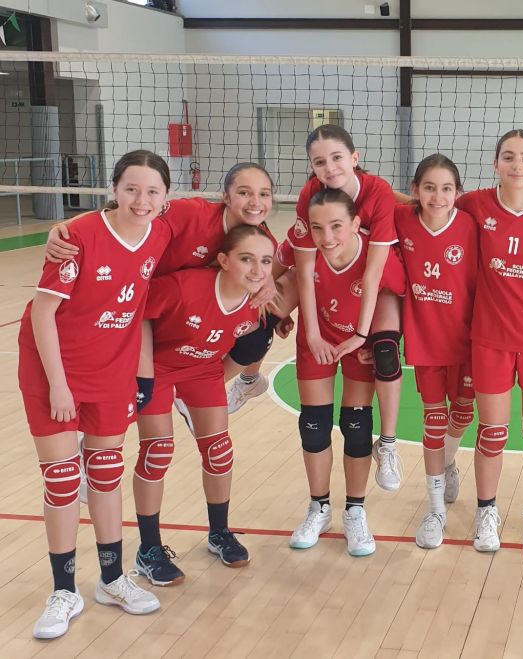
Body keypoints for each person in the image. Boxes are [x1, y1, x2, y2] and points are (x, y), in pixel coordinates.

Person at [19, 150, 172, 639]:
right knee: (63, 479)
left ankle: (111, 579)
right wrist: (59, 384)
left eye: (152, 191)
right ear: (113, 190)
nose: (141, 200)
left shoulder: (161, 232)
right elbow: (42, 313)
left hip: (111, 369)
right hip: (52, 368)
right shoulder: (78, 237)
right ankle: (64, 591)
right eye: (131, 189)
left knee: (104, 473)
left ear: (166, 197)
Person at [44, 162, 294, 415]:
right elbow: (127, 213)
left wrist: (271, 297)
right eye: (244, 192)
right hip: (135, 298)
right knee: (133, 388)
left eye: (264, 194)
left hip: (177, 309)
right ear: (226, 197)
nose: (255, 202)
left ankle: (201, 390)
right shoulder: (191, 213)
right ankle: (89, 412)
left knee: (257, 337)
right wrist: (64, 229)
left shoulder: (262, 241)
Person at [131, 225, 274, 586]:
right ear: (223, 260)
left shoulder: (257, 304)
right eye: (246, 259)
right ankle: (148, 549)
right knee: (157, 451)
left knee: (220, 451)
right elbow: (134, 311)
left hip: (203, 369)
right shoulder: (184, 288)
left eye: (265, 261)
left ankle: (219, 533)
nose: (257, 270)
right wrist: (139, 375)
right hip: (157, 367)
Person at [456, 129, 523, 553]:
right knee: (492, 432)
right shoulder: (476, 204)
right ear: (495, 164)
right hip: (491, 337)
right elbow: (426, 204)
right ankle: (487, 513)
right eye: (508, 157)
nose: (517, 165)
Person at [286, 125, 405, 492]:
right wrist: (311, 333)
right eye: (319, 162)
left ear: (355, 158)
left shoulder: (377, 191)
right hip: (330, 282)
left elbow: (374, 274)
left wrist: (361, 335)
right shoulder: (310, 193)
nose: (329, 168)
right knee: (270, 294)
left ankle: (387, 445)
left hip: (379, 282)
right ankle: (247, 374)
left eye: (337, 157)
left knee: (384, 354)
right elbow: (302, 268)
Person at [289, 188, 405, 556]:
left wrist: (373, 337)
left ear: (356, 224)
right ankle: (319, 508)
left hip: (359, 342)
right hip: (317, 338)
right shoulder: (305, 250)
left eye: (336, 226)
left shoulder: (376, 253)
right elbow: (287, 278)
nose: (327, 237)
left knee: (356, 427)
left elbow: (398, 298)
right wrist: (293, 327)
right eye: (318, 228)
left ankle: (355, 511)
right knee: (314, 424)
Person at [394, 154, 478, 549]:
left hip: (468, 338)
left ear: (458, 192)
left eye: (446, 189)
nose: (437, 196)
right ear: (415, 190)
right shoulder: (403, 220)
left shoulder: (470, 225)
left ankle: (447, 461)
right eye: (429, 188)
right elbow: (373, 195)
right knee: (433, 418)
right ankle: (435, 510)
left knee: (462, 413)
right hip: (425, 338)